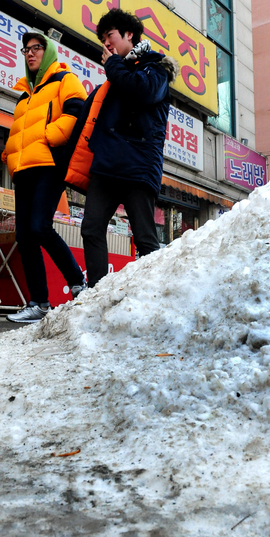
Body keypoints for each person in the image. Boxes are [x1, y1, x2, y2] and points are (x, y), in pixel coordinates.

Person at [65, 8, 179, 288]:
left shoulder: (156, 66)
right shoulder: (114, 76)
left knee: (144, 238)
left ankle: (156, 295)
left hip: (139, 166)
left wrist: (114, 64)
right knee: (91, 228)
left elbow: (144, 91)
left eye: (110, 36)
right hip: (106, 165)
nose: (106, 43)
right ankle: (97, 293)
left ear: (129, 35)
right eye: (102, 38)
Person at [2, 32, 87, 324]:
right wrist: (9, 156)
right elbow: (18, 133)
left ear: (48, 51)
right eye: (26, 49)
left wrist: (50, 137)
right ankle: (39, 302)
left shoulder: (66, 79)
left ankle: (78, 283)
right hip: (23, 170)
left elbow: (77, 114)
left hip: (50, 165)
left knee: (39, 227)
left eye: (36, 48)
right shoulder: (25, 95)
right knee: (24, 236)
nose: (30, 53)